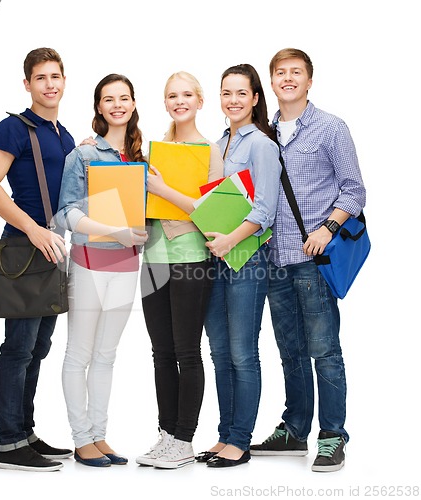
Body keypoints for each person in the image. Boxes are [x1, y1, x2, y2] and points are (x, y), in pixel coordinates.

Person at [249, 48, 366, 473]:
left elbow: (354, 191)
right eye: (280, 72)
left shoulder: (331, 129)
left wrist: (326, 229)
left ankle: (333, 435)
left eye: (296, 72)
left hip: (312, 259)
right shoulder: (262, 132)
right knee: (289, 350)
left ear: (309, 80)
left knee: (324, 349)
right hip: (273, 259)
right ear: (272, 82)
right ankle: (295, 429)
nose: (288, 78)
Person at [0, 47, 75, 472]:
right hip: (23, 248)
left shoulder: (65, 135)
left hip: (53, 253)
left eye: (56, 76)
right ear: (27, 84)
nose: (49, 84)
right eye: (41, 78)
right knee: (17, 349)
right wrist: (34, 229)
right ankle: (9, 443)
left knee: (38, 347)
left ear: (64, 81)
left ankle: (26, 432)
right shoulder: (12, 128)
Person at [55, 74, 148, 468]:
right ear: (98, 107)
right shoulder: (84, 155)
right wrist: (116, 231)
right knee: (80, 353)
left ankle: (99, 435)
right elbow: (67, 213)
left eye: (123, 98)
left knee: (107, 355)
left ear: (133, 103)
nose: (117, 105)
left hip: (127, 266)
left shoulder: (144, 158)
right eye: (108, 99)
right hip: (90, 262)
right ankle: (81, 439)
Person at [135, 72, 223, 469]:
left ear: (200, 101)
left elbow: (211, 213)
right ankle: (166, 434)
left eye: (187, 94)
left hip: (190, 257)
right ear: (165, 102)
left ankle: (185, 439)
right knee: (160, 352)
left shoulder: (211, 151)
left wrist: (164, 190)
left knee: (187, 351)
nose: (179, 101)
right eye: (172, 95)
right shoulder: (154, 150)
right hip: (153, 258)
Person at [197, 64, 281, 468]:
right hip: (215, 259)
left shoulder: (261, 144)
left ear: (254, 98)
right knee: (219, 351)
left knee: (243, 352)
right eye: (226, 93)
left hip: (246, 258)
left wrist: (230, 240)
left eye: (240, 93)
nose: (233, 100)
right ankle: (225, 434)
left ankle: (240, 441)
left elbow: (266, 208)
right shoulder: (218, 143)